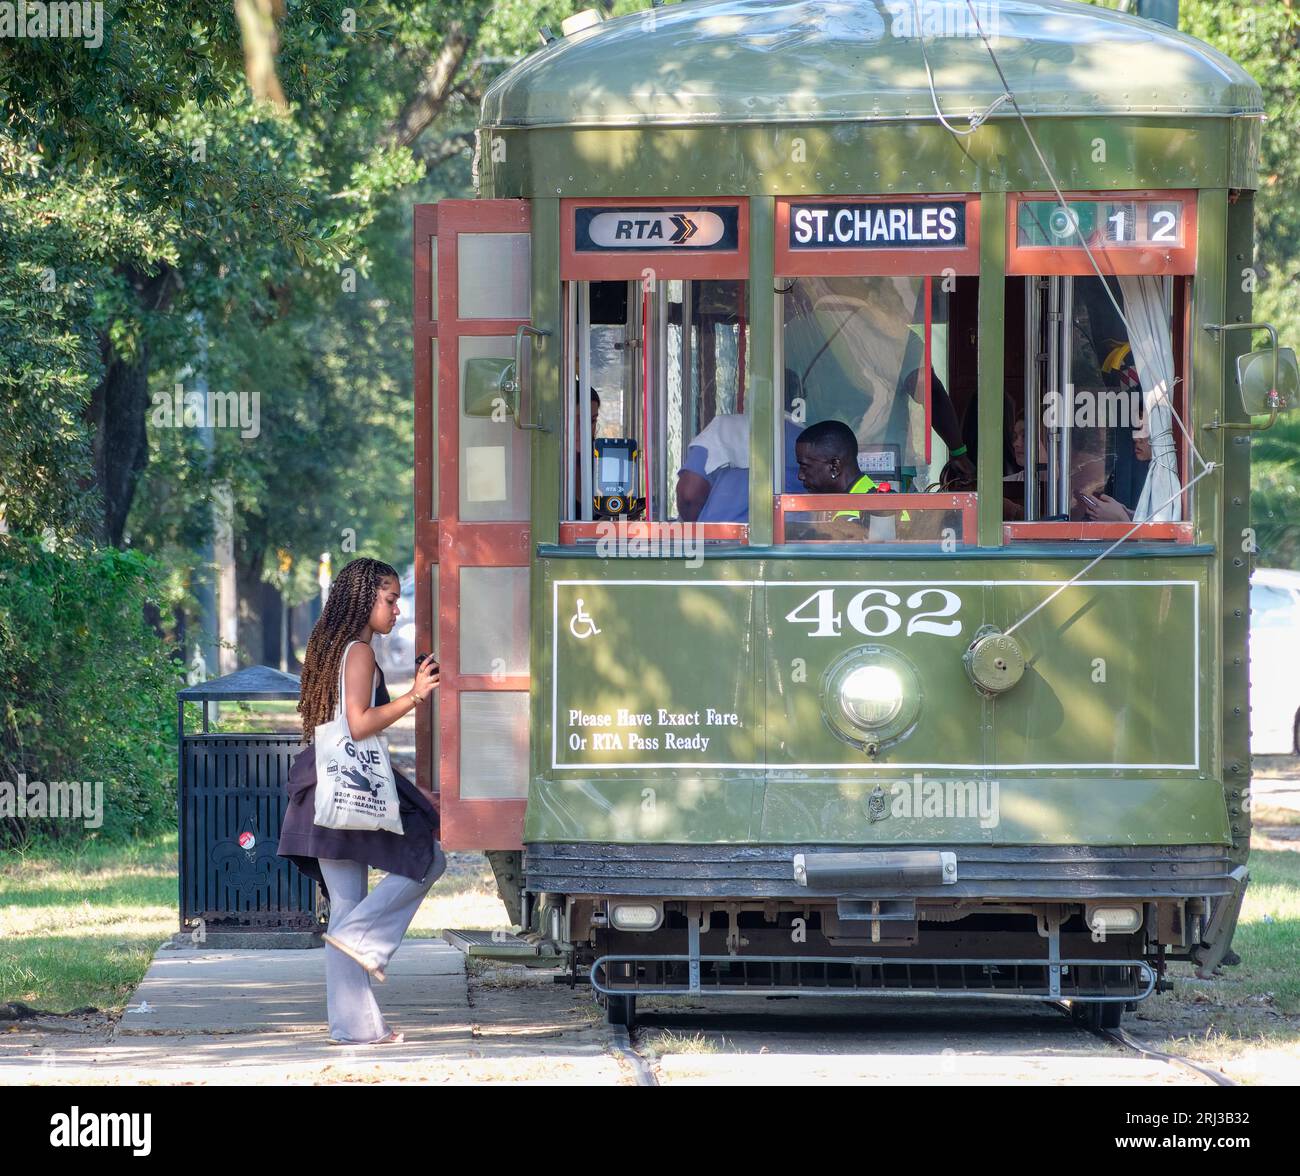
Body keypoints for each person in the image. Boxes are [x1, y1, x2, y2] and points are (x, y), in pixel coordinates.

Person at [277, 557, 443, 1045]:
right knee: (429, 856)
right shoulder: (360, 653)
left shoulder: (335, 649)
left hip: (325, 786)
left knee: (347, 905)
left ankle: (357, 1027)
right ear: (363, 599)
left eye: (397, 599)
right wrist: (414, 697)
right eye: (389, 599)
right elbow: (356, 724)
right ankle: (363, 944)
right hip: (347, 785)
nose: (397, 609)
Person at [791, 419, 904, 539]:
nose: (800, 476)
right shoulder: (832, 504)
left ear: (835, 467)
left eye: (805, 467)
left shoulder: (886, 510)